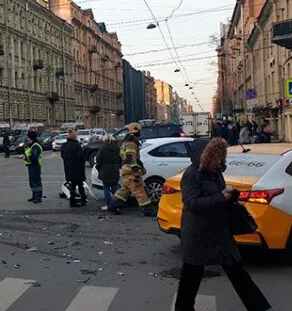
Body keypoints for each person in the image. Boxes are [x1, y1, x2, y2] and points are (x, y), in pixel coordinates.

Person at [174, 138, 271, 311]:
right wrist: (221, 197)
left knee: (239, 273)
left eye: (220, 157)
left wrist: (230, 195)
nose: (219, 161)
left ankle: (259, 307)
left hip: (220, 232)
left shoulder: (215, 172)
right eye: (215, 157)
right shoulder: (192, 174)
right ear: (205, 157)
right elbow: (191, 203)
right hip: (199, 235)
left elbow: (218, 195)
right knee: (191, 278)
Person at [108, 122, 156, 216]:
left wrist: (140, 167)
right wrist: (136, 171)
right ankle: (147, 210)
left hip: (127, 170)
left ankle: (113, 206)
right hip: (131, 171)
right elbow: (131, 157)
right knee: (139, 189)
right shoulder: (131, 143)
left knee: (125, 190)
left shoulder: (128, 141)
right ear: (136, 131)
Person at [60, 129, 87, 207]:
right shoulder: (77, 146)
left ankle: (72, 201)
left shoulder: (64, 145)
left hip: (68, 168)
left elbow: (63, 156)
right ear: (75, 137)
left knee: (72, 185)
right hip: (77, 169)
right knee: (80, 185)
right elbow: (80, 157)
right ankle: (83, 200)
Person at [96, 134, 121, 211]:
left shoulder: (103, 148)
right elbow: (121, 158)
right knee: (115, 186)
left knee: (106, 187)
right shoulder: (117, 148)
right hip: (115, 168)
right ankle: (117, 203)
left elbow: (98, 159)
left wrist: (98, 167)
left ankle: (108, 204)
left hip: (105, 169)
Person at [23, 131, 43, 204]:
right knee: (32, 181)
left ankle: (38, 196)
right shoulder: (31, 145)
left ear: (30, 137)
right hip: (31, 165)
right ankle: (34, 195)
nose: (27, 138)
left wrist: (25, 158)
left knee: (36, 181)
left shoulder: (36, 146)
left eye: (28, 137)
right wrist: (25, 157)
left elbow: (34, 157)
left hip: (35, 165)